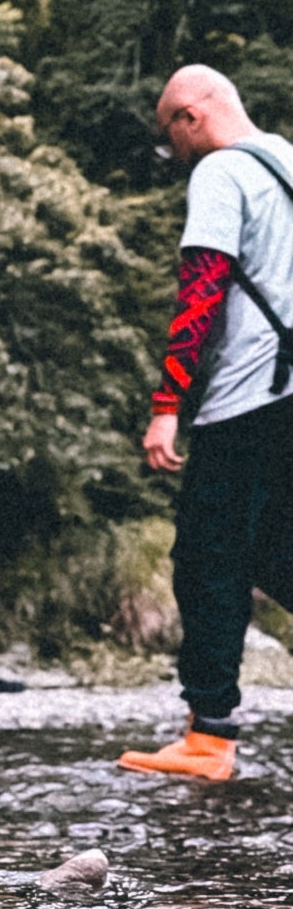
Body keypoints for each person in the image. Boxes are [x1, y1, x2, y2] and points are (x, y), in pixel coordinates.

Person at [120, 66, 293, 782]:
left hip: (248, 398)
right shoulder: (288, 158)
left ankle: (209, 736)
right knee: (275, 553)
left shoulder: (221, 171)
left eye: (171, 137)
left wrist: (168, 408)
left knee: (206, 557)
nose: (175, 152)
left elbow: (202, 291)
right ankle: (210, 728)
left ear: (192, 116)